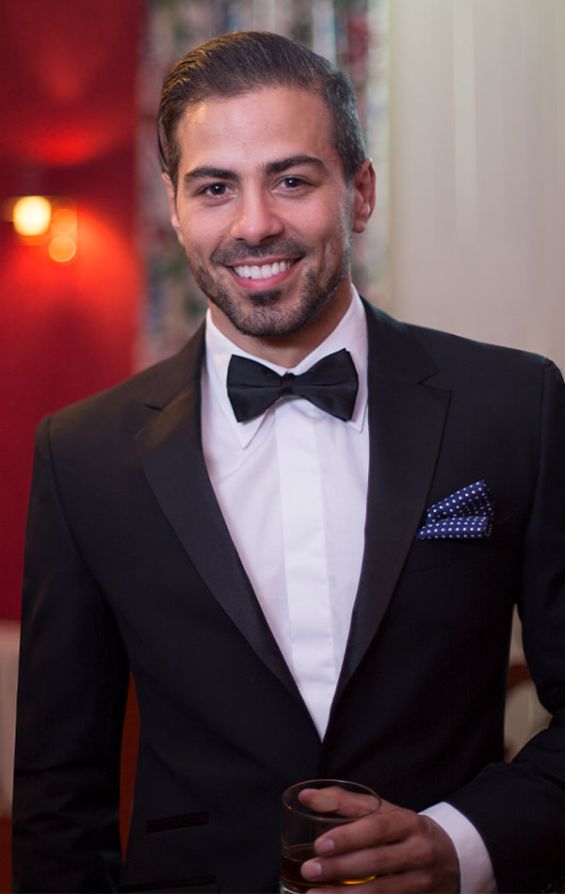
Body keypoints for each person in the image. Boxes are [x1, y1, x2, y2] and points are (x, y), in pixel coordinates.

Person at [12, 30, 565, 894]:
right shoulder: (82, 453)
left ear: (360, 191)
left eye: (292, 180)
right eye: (214, 188)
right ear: (174, 207)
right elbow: (59, 795)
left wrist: (459, 845)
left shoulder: (513, 405)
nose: (254, 224)